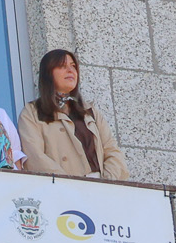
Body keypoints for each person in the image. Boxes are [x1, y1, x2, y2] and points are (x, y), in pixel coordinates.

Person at [19, 49, 128, 181]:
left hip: (101, 187)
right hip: (62, 188)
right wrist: (68, 185)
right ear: (48, 73)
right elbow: (34, 157)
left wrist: (108, 183)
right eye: (62, 66)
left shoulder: (89, 111)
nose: (70, 70)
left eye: (73, 66)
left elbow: (112, 151)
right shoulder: (32, 112)